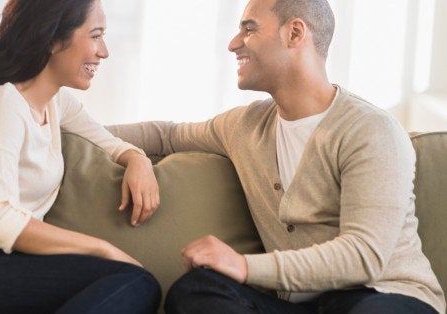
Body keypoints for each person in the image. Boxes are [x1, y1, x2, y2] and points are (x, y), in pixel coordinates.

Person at [107, 0, 445, 313]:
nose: (233, 43)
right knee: (196, 291)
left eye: (249, 29)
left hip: (384, 298)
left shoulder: (369, 129)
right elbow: (165, 135)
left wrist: (244, 265)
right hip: (301, 306)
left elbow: (363, 256)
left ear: (294, 33)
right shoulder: (246, 125)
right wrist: (68, 126)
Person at [0, 0, 161, 313]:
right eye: (95, 36)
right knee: (135, 282)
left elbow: (109, 142)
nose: (104, 51)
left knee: (137, 285)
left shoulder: (56, 103)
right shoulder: (2, 103)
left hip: (1, 267)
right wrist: (101, 249)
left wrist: (139, 160)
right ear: (54, 39)